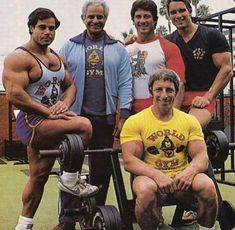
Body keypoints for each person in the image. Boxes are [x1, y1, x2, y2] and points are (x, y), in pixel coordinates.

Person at [2, 8, 98, 230]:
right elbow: (14, 95)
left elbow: (70, 85)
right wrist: (47, 112)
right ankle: (71, 180)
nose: (47, 32)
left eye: (52, 28)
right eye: (42, 27)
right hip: (32, 122)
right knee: (84, 126)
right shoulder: (19, 57)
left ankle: (23, 225)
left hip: (51, 122)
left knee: (38, 177)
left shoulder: (56, 57)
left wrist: (64, 103)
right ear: (31, 28)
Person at [53, 1, 133, 229]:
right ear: (83, 18)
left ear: (105, 19)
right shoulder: (69, 46)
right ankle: (67, 220)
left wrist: (123, 114)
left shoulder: (118, 48)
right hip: (75, 119)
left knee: (101, 170)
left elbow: (126, 83)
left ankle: (93, 216)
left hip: (105, 119)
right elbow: (58, 79)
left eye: (100, 17)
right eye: (91, 17)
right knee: (70, 171)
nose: (95, 21)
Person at [120, 68, 218, 230]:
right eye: (159, 89)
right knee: (145, 190)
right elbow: (130, 161)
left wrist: (189, 172)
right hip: (150, 177)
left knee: (207, 186)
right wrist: (157, 176)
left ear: (176, 92)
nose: (164, 95)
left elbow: (202, 157)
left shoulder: (189, 121)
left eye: (169, 90)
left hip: (182, 177)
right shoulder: (135, 121)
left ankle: (207, 229)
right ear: (151, 91)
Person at [165, 0, 233, 127]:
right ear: (169, 16)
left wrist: (207, 97)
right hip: (176, 98)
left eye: (182, 10)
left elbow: (227, 69)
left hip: (202, 95)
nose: (178, 15)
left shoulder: (211, 35)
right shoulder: (168, 41)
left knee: (188, 127)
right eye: (173, 12)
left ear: (189, 11)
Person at [125, 0, 185, 113]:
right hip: (130, 113)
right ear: (133, 21)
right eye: (138, 17)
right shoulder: (126, 49)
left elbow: (179, 85)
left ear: (155, 20)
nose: (142, 21)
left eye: (147, 16)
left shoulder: (169, 47)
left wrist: (172, 116)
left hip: (159, 111)